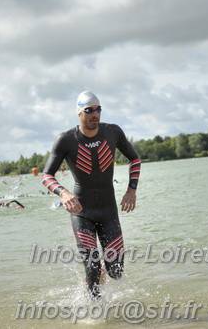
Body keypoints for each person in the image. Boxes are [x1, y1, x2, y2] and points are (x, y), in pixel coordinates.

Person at [41, 91, 141, 299]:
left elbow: (135, 159)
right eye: (89, 110)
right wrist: (64, 193)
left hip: (108, 211)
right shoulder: (66, 140)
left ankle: (104, 271)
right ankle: (93, 312)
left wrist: (131, 190)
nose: (95, 114)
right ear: (79, 113)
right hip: (81, 212)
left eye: (98, 109)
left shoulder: (113, 132)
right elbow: (46, 175)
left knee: (116, 271)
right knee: (92, 266)